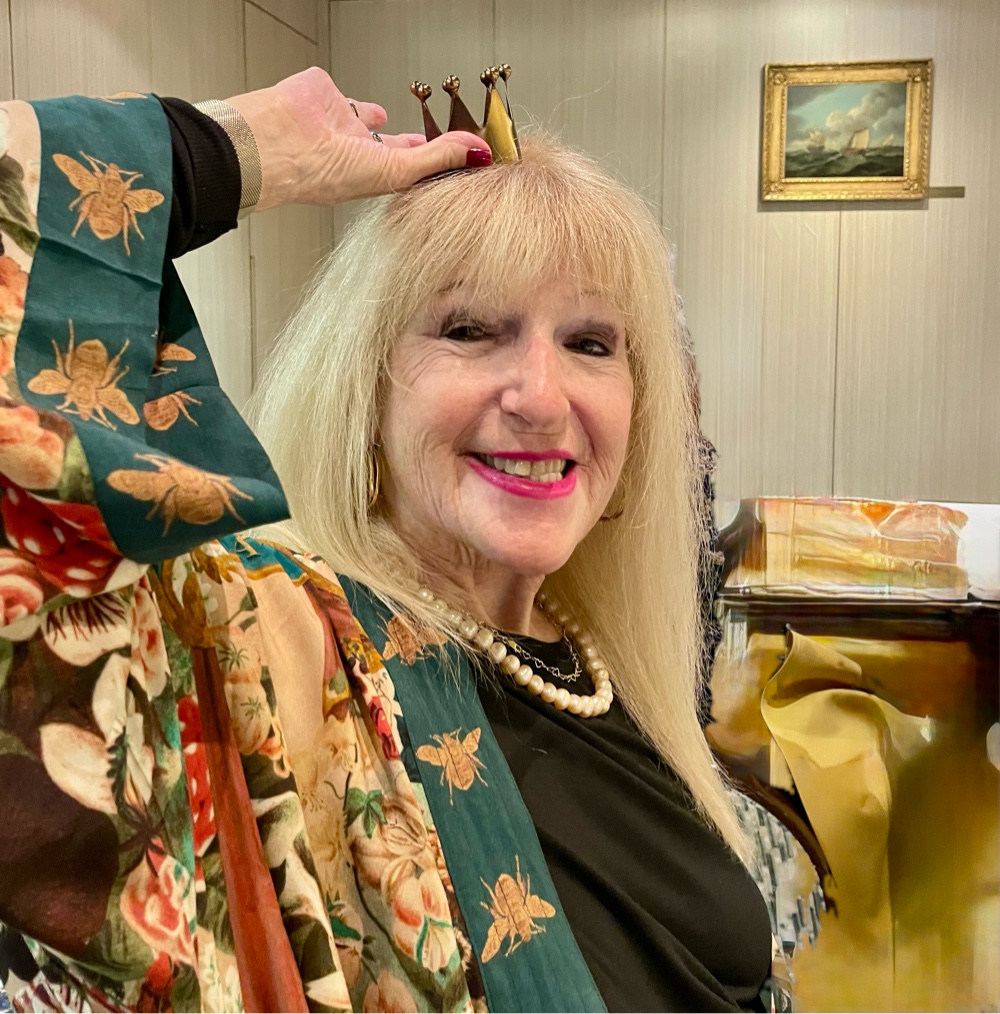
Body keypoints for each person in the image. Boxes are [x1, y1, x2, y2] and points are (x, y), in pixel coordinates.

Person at [0, 69, 780, 1014]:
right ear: (364, 389)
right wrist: (223, 151)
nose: (542, 398)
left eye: (590, 343)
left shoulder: (611, 662)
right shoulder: (268, 651)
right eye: (470, 329)